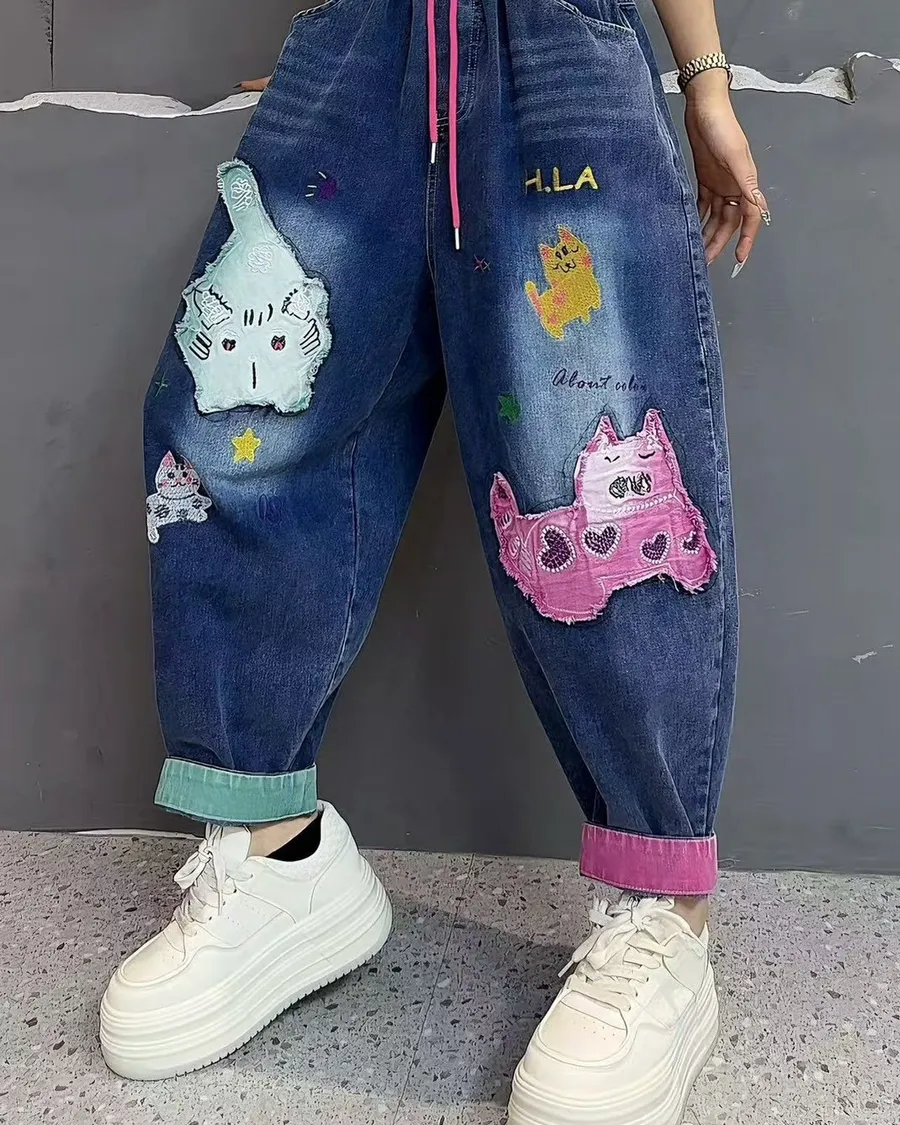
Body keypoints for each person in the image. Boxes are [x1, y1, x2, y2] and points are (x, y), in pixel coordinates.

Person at [101, 0, 767, 1119]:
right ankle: (275, 853)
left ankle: (664, 912)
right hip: (358, 43)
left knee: (594, 459)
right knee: (239, 430)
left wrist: (706, 76)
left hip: (557, 48)